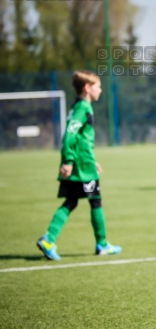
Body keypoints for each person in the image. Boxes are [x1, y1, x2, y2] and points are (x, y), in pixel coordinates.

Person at [36, 70, 122, 261]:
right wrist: (68, 161)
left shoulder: (79, 107)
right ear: (87, 88)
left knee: (71, 201)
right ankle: (102, 244)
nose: (100, 90)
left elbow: (82, 140)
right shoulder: (83, 108)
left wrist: (93, 160)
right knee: (95, 200)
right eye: (98, 86)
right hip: (81, 167)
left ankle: (49, 239)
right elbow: (69, 135)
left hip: (83, 162)